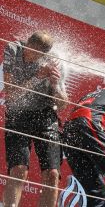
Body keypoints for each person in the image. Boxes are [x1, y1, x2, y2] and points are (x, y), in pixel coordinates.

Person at [2, 31, 68, 207]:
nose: (34, 58)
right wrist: (38, 76)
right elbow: (11, 94)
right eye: (32, 53)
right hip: (18, 114)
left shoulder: (54, 60)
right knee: (18, 170)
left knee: (53, 174)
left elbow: (62, 104)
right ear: (27, 44)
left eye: (40, 55)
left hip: (46, 116)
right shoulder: (13, 49)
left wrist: (55, 86)